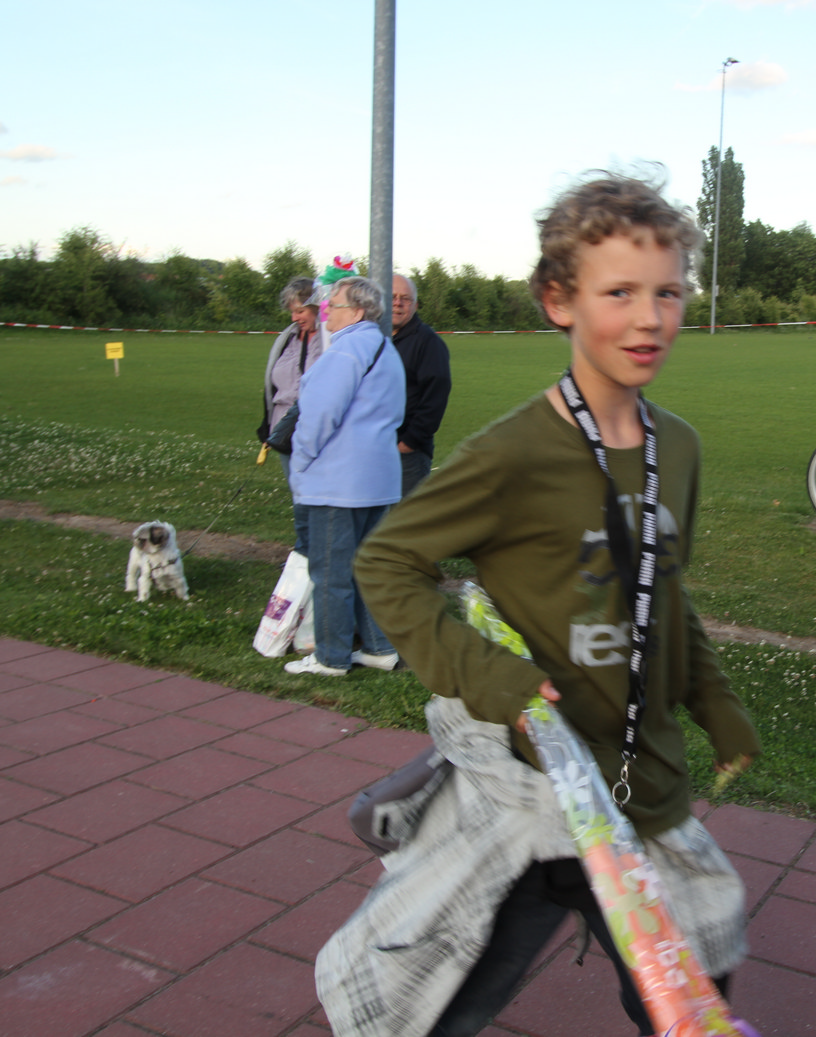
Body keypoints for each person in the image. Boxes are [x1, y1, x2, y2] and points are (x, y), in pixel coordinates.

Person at [316, 174, 761, 1037]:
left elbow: (661, 590)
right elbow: (388, 560)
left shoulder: (680, 447)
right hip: (528, 797)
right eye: (619, 293)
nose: (649, 318)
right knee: (435, 1000)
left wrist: (714, 700)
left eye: (667, 293)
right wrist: (488, 677)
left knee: (693, 990)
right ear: (559, 300)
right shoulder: (513, 452)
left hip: (639, 791)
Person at [284, 275, 406, 676]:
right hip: (378, 479)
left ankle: (331, 657)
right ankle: (379, 646)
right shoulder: (385, 348)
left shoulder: (345, 351)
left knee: (331, 572)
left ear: (355, 312)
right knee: (366, 569)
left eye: (331, 306)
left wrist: (301, 461)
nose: (325, 313)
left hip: (338, 483)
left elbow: (318, 415)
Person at [258, 277, 327, 555]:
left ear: (317, 308)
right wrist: (268, 425)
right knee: (299, 496)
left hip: (316, 430)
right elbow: (272, 383)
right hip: (284, 429)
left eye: (300, 310)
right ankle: (304, 553)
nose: (294, 317)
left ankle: (317, 554)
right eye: (292, 311)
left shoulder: (330, 338)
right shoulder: (287, 337)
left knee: (316, 496)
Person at [390, 272, 453, 496]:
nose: (398, 303)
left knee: (406, 515)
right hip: (374, 451)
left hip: (407, 455)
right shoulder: (375, 338)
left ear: (415, 305)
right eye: (392, 297)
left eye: (405, 298)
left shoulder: (428, 342)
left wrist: (409, 443)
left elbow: (435, 398)